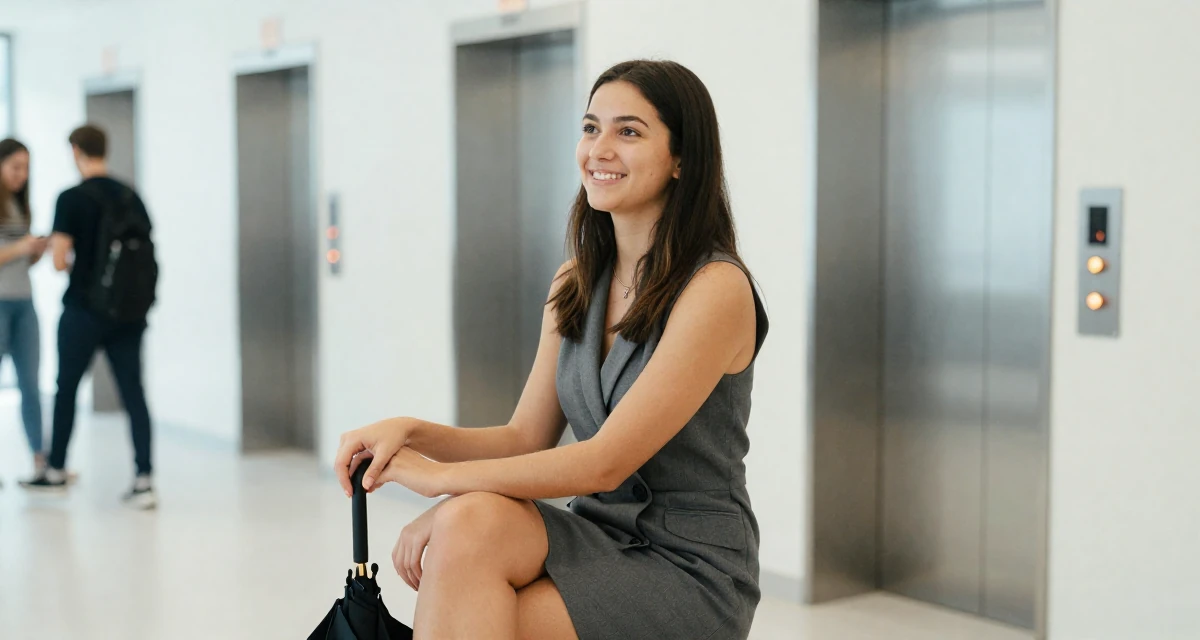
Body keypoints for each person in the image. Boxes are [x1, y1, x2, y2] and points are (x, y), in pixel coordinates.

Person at [335, 60, 769, 639]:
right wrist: (411, 432)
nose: (600, 149)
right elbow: (522, 438)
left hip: (688, 565)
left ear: (681, 159)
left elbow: (605, 460)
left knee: (467, 548)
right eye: (591, 128)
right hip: (595, 535)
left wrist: (438, 483)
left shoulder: (715, 288)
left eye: (629, 131)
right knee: (471, 528)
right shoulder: (576, 282)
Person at [20, 125, 157, 510]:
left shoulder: (71, 198)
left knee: (66, 389)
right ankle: (144, 480)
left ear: (76, 151)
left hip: (83, 310)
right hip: (130, 312)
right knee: (134, 394)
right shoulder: (130, 195)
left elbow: (61, 261)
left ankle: (56, 470)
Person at [0, 139, 49, 488]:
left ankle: (40, 462)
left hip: (24, 302)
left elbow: (22, 259)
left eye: (26, 168)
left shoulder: (20, 205)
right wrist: (20, 247)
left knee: (31, 385)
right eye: (15, 167)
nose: (22, 175)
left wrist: (36, 251)